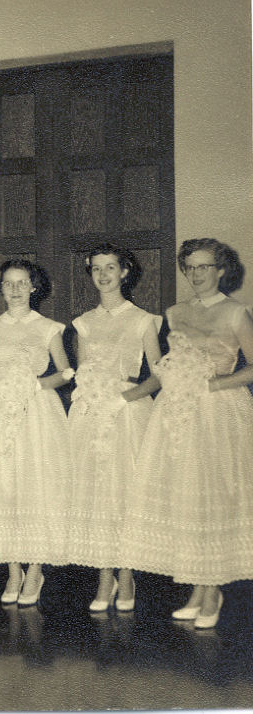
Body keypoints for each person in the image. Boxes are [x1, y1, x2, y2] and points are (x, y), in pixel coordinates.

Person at [121, 238, 253, 628]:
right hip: (176, 411)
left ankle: (213, 591)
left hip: (218, 410)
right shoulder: (174, 313)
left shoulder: (235, 313)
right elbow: (167, 366)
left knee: (213, 495)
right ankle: (198, 586)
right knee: (188, 495)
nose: (196, 275)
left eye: (204, 267)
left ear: (221, 270)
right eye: (190, 267)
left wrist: (213, 385)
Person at [0, 259, 73, 605]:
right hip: (0, 412)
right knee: (4, 486)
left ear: (33, 287)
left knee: (35, 484)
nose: (15, 290)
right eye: (8, 284)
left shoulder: (48, 328)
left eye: (22, 283)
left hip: (37, 411)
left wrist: (32, 385)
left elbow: (65, 372)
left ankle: (35, 567)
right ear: (0, 288)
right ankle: (13, 571)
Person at [66, 245, 161, 612]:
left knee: (124, 491)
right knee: (96, 492)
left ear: (125, 272)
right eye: (96, 269)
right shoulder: (83, 322)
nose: (103, 275)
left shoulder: (142, 320)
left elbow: (158, 374)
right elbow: (85, 369)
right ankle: (103, 576)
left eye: (111, 268)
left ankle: (125, 575)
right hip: (91, 412)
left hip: (127, 410)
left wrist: (125, 398)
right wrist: (88, 398)